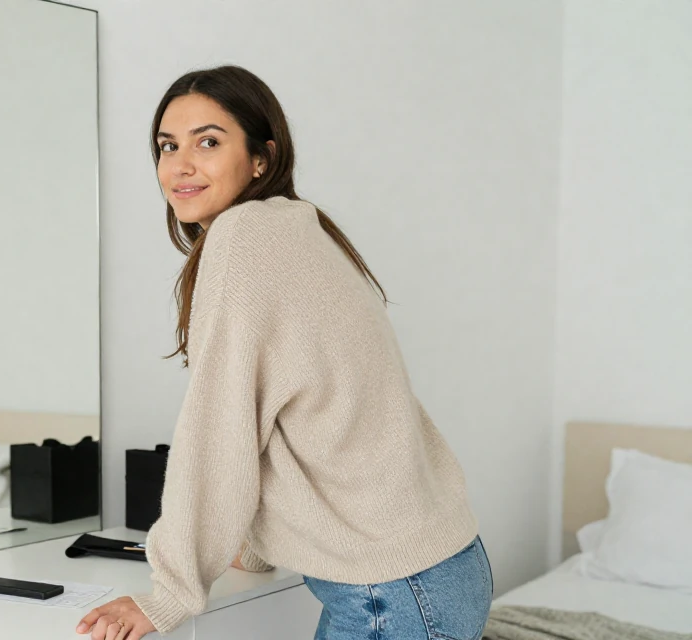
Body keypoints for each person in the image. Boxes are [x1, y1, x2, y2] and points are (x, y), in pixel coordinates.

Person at [77, 66, 492, 640]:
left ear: (261, 159)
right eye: (167, 146)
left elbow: (221, 428)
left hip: (393, 595)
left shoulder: (245, 237)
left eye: (208, 142)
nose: (180, 165)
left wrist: (169, 593)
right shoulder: (295, 226)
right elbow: (276, 411)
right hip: (431, 570)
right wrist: (250, 548)